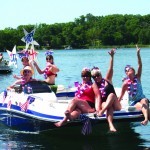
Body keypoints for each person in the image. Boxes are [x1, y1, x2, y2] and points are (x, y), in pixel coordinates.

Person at [91, 48, 121, 132]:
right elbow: (97, 98)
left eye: (98, 75)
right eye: (94, 77)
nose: (96, 77)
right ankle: (111, 125)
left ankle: (102, 112)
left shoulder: (107, 80)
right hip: (106, 104)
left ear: (100, 74)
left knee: (111, 95)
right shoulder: (94, 85)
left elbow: (110, 69)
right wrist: (97, 109)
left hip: (116, 104)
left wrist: (112, 57)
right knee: (107, 106)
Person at [118, 45, 150, 126]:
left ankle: (146, 119)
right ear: (126, 73)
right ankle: (147, 119)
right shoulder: (125, 83)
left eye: (131, 69)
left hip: (142, 98)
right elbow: (121, 95)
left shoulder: (138, 77)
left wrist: (138, 54)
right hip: (133, 102)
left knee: (144, 101)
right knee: (141, 105)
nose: (130, 70)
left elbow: (140, 65)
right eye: (128, 70)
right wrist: (117, 105)